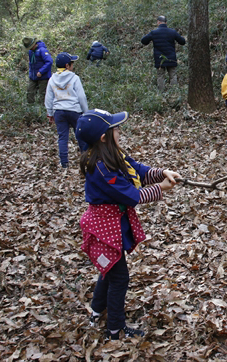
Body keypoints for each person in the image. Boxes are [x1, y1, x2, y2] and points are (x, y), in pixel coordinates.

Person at [75, 109, 182, 340]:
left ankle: (96, 312)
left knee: (110, 270)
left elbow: (137, 170)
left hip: (113, 224)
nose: (119, 131)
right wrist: (161, 188)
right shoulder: (102, 169)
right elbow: (132, 195)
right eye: (115, 128)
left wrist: (162, 172)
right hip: (103, 229)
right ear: (104, 137)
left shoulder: (113, 155)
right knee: (119, 277)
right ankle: (115, 329)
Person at [45, 52, 89, 168]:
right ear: (67, 65)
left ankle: (64, 163)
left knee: (62, 137)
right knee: (80, 135)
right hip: (74, 110)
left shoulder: (52, 79)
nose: (73, 66)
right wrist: (86, 112)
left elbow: (49, 98)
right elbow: (81, 97)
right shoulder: (74, 78)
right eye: (72, 64)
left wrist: (50, 113)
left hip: (59, 111)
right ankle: (85, 159)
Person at [140, 16, 186, 91]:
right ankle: (174, 93)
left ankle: (161, 94)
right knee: (173, 76)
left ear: (158, 22)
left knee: (160, 76)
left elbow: (143, 41)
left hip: (159, 59)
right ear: (166, 23)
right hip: (171, 58)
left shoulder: (154, 33)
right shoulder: (172, 32)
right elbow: (182, 42)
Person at [23, 37, 53, 105]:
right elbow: (31, 63)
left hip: (43, 77)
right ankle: (31, 108)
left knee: (42, 95)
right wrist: (31, 73)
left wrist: (41, 71)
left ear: (34, 45)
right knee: (30, 93)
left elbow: (49, 61)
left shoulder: (42, 50)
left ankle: (43, 110)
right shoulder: (31, 52)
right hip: (33, 77)